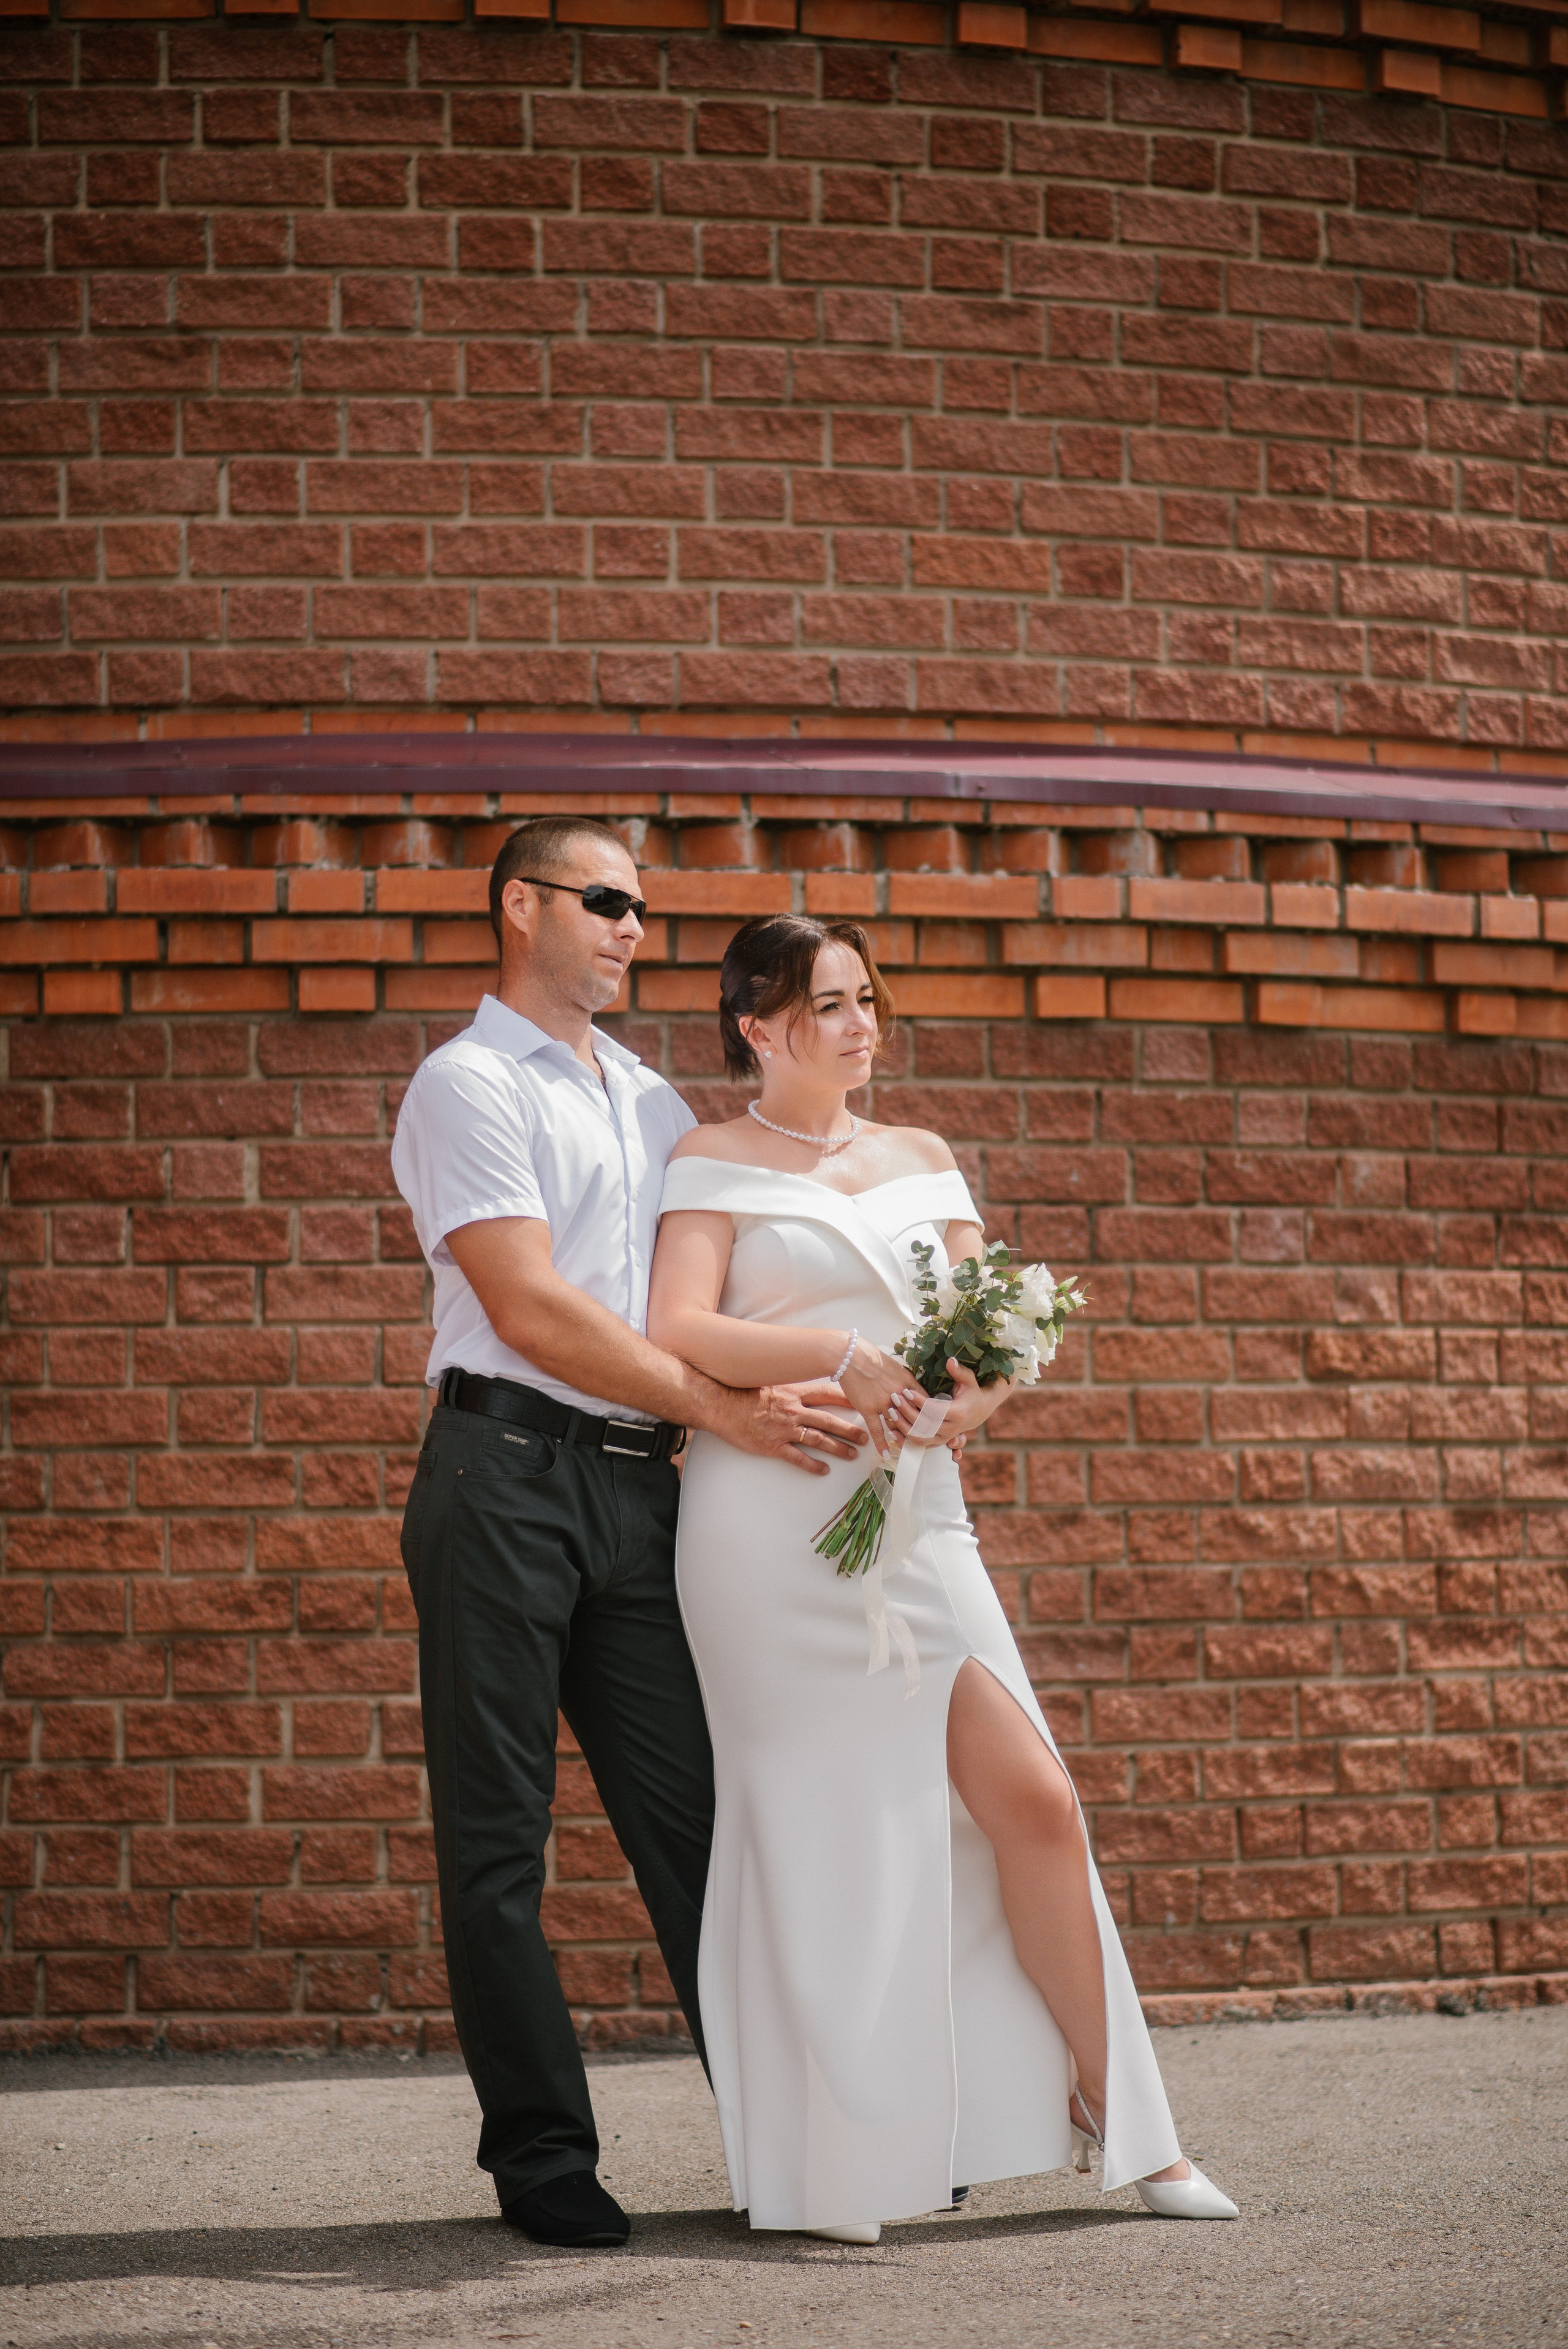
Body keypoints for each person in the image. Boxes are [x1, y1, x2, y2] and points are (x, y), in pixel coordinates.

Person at [646, 912, 1240, 2241]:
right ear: (756, 1023)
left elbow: (994, 1336)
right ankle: (836, 2160)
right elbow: (676, 1329)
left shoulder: (922, 1156)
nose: (861, 1025)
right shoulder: (711, 1158)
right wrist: (835, 1362)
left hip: (921, 1519)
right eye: (829, 1004)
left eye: (868, 999)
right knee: (818, 1830)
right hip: (768, 1529)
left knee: (1033, 1799)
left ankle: (1124, 2120)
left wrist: (966, 1407)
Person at [391, 818, 875, 2250]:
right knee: (497, 1844)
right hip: (500, 1477)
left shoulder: (658, 1102)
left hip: (641, 1491)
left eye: (640, 910)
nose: (630, 929)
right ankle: (541, 2156)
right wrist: (725, 1413)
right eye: (603, 901)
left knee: (704, 1827)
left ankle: (796, 2137)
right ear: (517, 905)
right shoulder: (465, 1081)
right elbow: (533, 1310)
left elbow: (708, 1295)